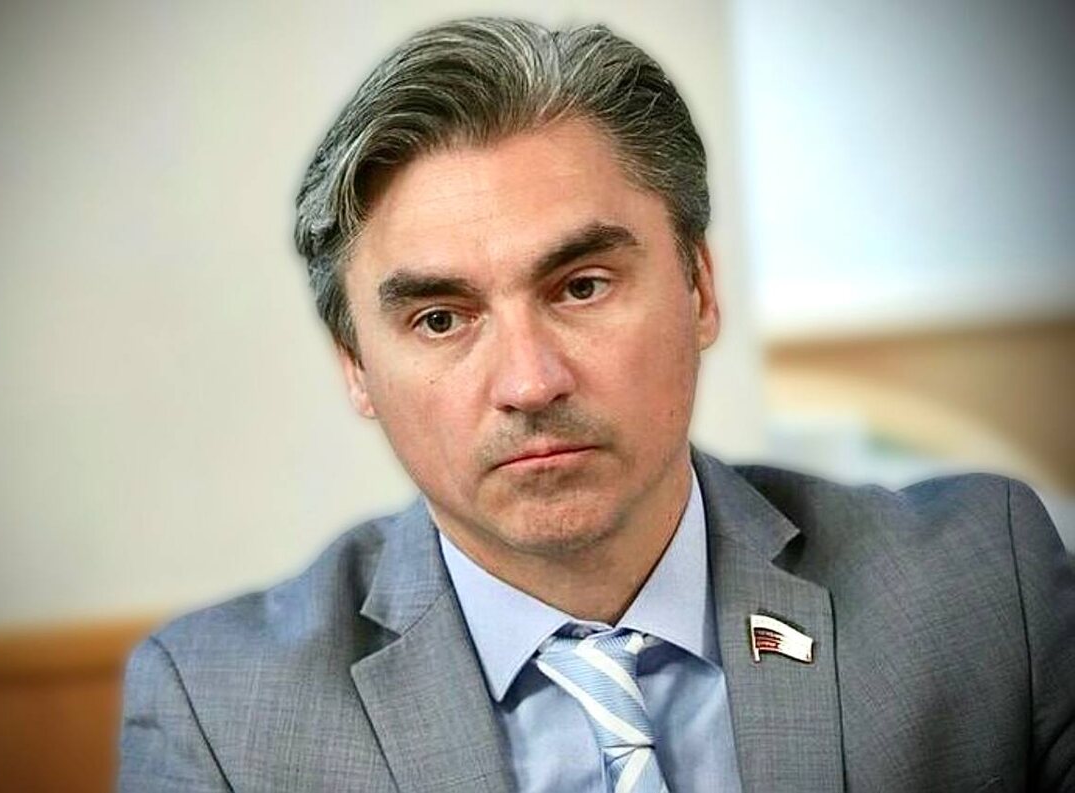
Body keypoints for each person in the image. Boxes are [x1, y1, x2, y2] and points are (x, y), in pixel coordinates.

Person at [118, 17, 1075, 793]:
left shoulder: (983, 589)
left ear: (699, 288)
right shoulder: (221, 715)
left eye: (581, 286)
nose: (530, 382)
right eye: (441, 319)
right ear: (357, 368)